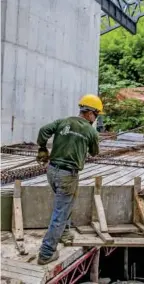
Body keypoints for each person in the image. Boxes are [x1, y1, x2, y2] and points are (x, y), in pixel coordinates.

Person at [36, 94, 103, 265]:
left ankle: (64, 233)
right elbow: (95, 153)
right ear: (90, 113)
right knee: (60, 212)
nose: (96, 119)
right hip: (68, 175)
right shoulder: (90, 131)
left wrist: (42, 148)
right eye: (96, 115)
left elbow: (43, 130)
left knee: (65, 204)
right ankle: (46, 252)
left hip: (52, 172)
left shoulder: (62, 122)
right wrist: (89, 143)